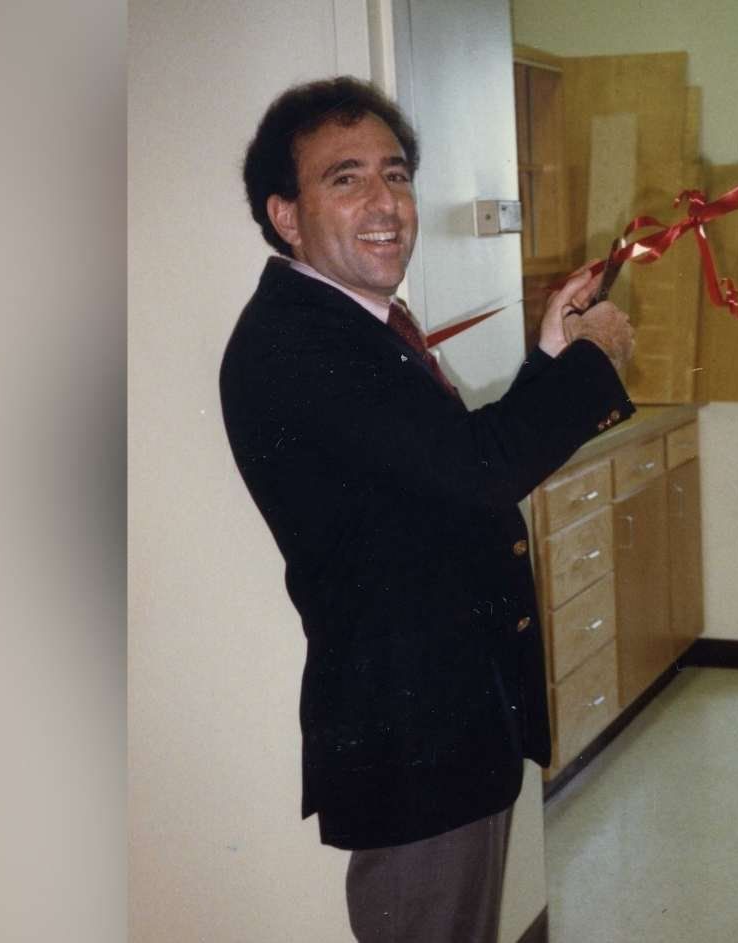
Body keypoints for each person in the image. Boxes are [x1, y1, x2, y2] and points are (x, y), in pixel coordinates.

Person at [219, 76, 635, 942]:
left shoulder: (354, 326)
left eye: (397, 174)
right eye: (346, 178)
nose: (386, 202)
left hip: (449, 723)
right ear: (286, 215)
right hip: (414, 744)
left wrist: (553, 348)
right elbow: (481, 470)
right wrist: (596, 362)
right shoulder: (301, 342)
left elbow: (446, 473)